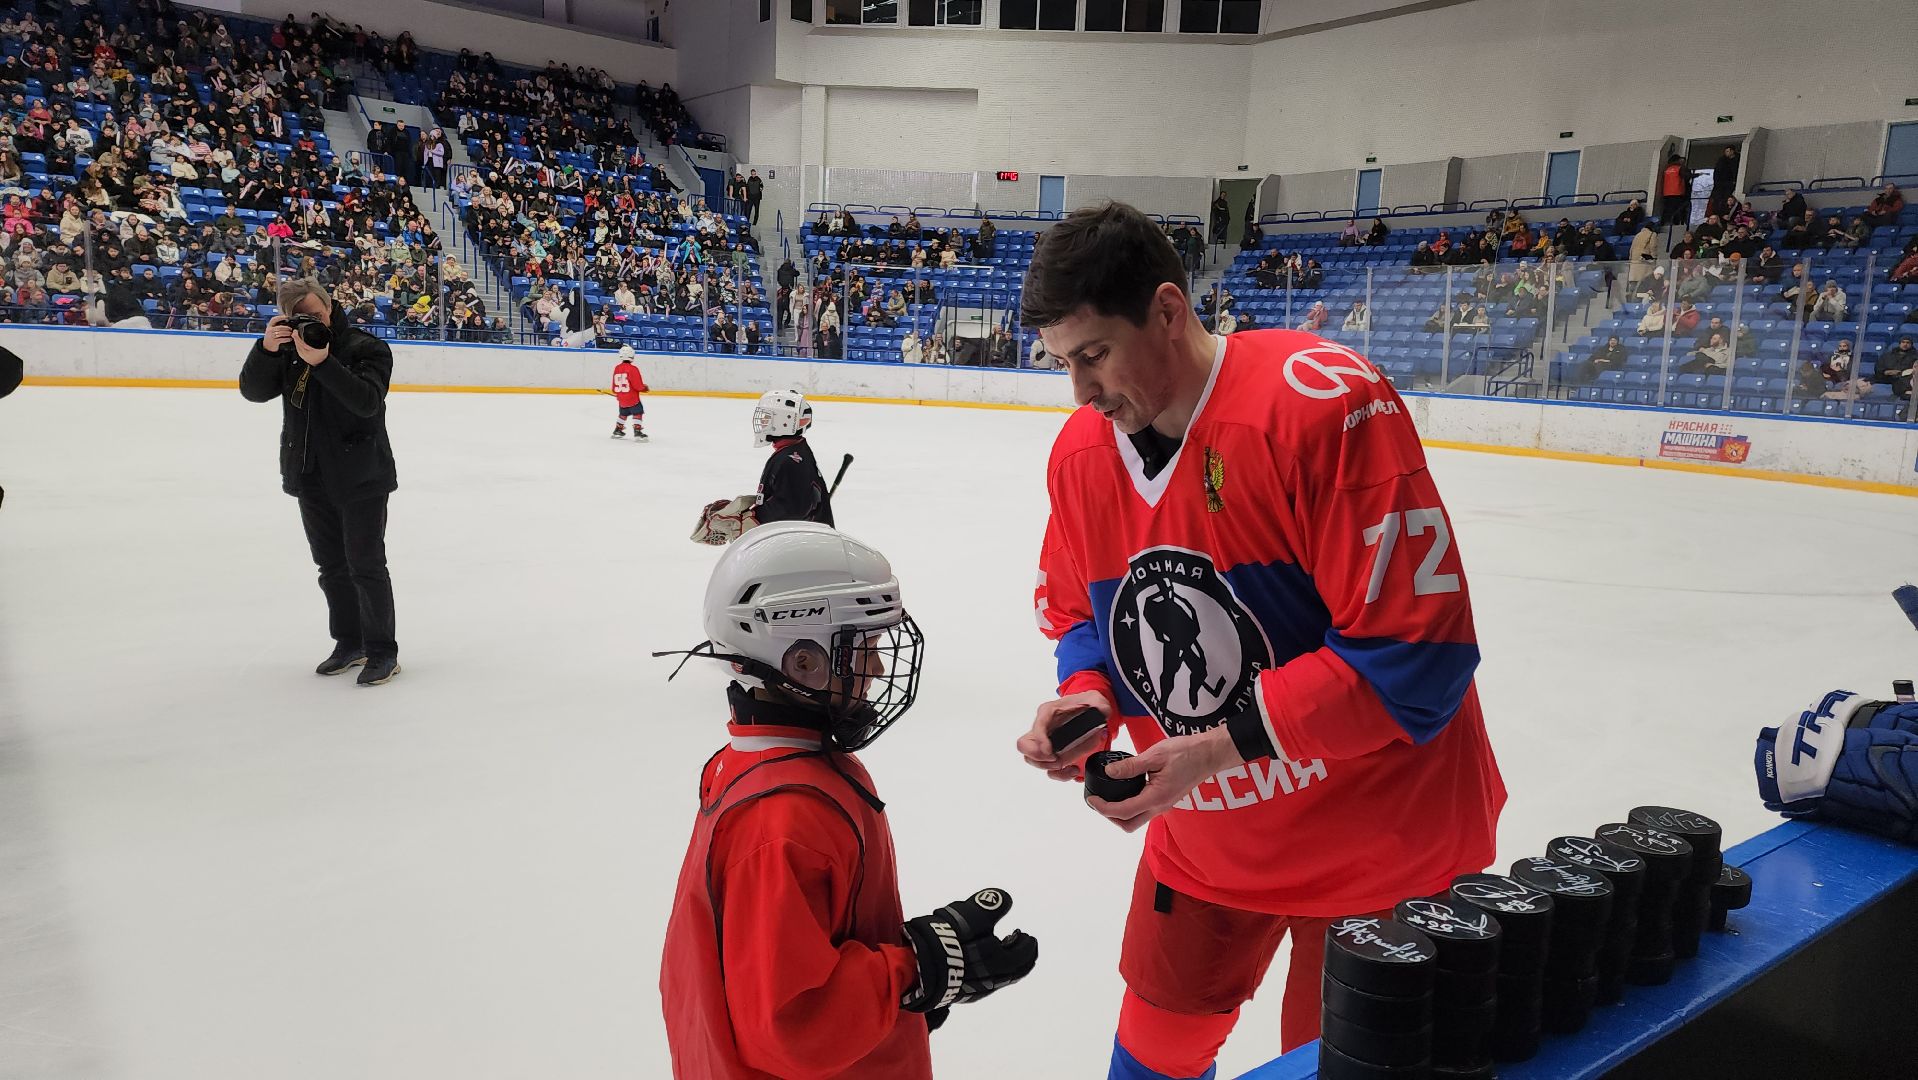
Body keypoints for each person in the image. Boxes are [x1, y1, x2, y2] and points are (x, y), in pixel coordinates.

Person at [1015, 202, 1502, 1078]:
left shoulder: (1324, 403)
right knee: (1151, 1058)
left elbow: (1415, 661)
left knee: (1331, 1063)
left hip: (1380, 841)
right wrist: (1087, 695)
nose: (1080, 393)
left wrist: (1213, 749)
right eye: (1063, 364)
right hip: (1210, 835)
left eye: (1093, 356)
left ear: (1169, 310)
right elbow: (1085, 613)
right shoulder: (1081, 454)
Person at [658, 520, 1039, 1078]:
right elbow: (791, 1026)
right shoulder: (783, 818)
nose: (880, 666)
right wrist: (915, 971)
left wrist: (907, 988)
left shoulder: (765, 766)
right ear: (802, 661)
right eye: (863, 647)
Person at [238, 279, 401, 686]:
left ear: (331, 307)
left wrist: (323, 362)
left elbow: (366, 401)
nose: (308, 323)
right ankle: (349, 642)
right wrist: (267, 350)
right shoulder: (288, 351)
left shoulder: (365, 348)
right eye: (298, 319)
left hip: (361, 475)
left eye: (315, 314)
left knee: (366, 565)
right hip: (309, 473)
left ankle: (382, 651)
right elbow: (253, 392)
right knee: (331, 566)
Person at [692, 391, 838, 545]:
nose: (763, 422)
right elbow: (789, 499)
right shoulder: (795, 452)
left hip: (805, 550)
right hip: (803, 546)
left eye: (768, 417)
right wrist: (748, 512)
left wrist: (750, 521)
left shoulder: (790, 461)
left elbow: (791, 509)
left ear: (785, 421)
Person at [610, 344, 649, 440]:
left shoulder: (617, 368)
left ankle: (618, 430)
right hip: (633, 398)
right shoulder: (633, 369)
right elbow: (638, 386)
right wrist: (644, 388)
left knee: (623, 413)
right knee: (638, 412)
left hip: (621, 399)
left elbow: (614, 388)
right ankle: (637, 431)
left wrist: (620, 394)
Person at [1875, 335, 1915, 404]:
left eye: (1908, 343)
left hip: (1905, 379)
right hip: (1886, 378)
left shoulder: (1915, 356)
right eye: (1903, 342)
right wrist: (1886, 372)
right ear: (1900, 343)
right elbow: (1878, 368)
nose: (1905, 344)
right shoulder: (1887, 355)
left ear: (1911, 344)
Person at [1659, 153, 1690, 232]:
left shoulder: (1667, 169)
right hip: (1677, 192)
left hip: (1667, 193)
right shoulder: (1679, 168)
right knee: (1677, 210)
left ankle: (1664, 223)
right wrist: (1697, 175)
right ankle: (1675, 223)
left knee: (1667, 209)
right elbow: (1686, 176)